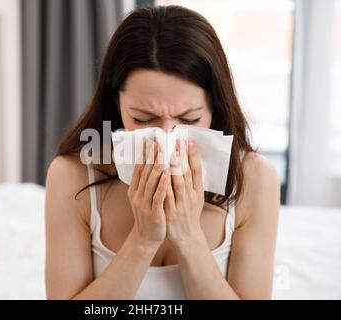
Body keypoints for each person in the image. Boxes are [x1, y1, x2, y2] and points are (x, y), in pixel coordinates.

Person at [44, 5, 280, 299]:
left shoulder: (257, 180)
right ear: (115, 104)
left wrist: (188, 236)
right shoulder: (71, 176)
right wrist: (142, 240)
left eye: (190, 120)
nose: (166, 138)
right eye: (143, 120)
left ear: (214, 106)